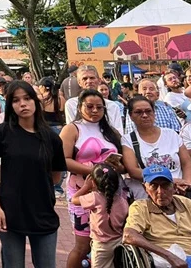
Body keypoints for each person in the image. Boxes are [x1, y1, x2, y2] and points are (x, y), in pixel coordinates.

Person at [0, 80, 67, 268]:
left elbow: (55, 176)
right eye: (16, 100)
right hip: (9, 212)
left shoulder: (52, 138)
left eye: (27, 98)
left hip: (43, 212)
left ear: (36, 101)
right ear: (10, 105)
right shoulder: (3, 132)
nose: (22, 104)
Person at [59, 89, 123, 268]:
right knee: (83, 244)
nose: (95, 111)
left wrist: (118, 166)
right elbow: (63, 160)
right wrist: (95, 169)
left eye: (99, 107)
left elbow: (124, 162)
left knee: (111, 240)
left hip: (112, 193)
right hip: (82, 191)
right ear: (80, 107)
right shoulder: (71, 129)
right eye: (89, 106)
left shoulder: (111, 131)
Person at [121, 95, 191, 201]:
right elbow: (133, 170)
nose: (145, 115)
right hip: (153, 195)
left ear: (154, 113)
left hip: (180, 192)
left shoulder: (171, 134)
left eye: (148, 111)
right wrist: (171, 182)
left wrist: (187, 183)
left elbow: (187, 163)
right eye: (138, 112)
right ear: (131, 116)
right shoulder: (128, 140)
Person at [123, 165, 191, 267]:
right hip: (169, 260)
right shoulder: (141, 207)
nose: (160, 192)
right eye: (154, 186)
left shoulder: (188, 204)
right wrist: (169, 256)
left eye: (165, 185)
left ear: (174, 187)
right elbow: (129, 235)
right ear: (145, 188)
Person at [70, 163, 128, 268]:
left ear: (94, 183)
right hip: (119, 242)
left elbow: (74, 199)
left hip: (101, 245)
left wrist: (85, 187)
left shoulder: (94, 198)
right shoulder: (122, 201)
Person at [65, 66, 123, 131]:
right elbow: (72, 131)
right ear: (79, 82)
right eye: (84, 78)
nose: (89, 81)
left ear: (99, 80)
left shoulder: (113, 106)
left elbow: (119, 132)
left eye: (92, 78)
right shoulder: (71, 104)